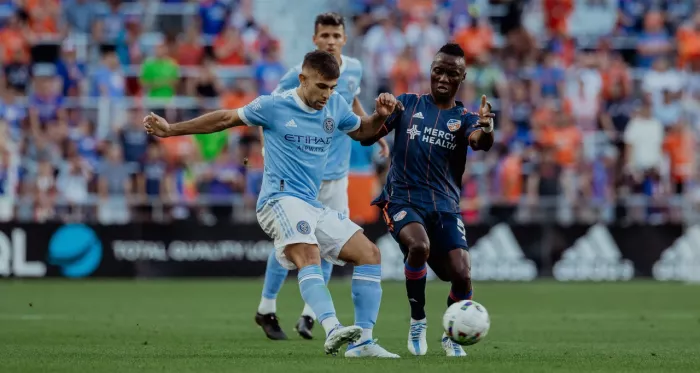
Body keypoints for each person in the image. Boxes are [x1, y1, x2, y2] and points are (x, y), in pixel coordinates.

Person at [144, 50, 400, 358]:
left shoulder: (335, 105)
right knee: (309, 253)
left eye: (332, 87)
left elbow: (363, 132)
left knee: (369, 253)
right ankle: (332, 329)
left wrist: (382, 118)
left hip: (310, 203)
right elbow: (225, 118)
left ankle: (364, 343)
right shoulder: (274, 105)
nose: (327, 94)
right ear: (303, 78)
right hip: (277, 199)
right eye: (321, 86)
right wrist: (171, 130)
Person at [256, 12, 389, 341]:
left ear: (344, 39)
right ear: (315, 40)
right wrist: (266, 152)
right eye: (324, 36)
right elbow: (268, 112)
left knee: (333, 244)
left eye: (336, 36)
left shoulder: (353, 69)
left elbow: (351, 101)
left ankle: (309, 315)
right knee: (291, 245)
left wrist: (373, 130)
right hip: (299, 177)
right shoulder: (297, 75)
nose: (330, 41)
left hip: (337, 176)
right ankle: (267, 306)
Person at [361, 43, 495, 357]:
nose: (444, 78)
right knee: (419, 246)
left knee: (461, 273)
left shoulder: (465, 118)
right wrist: (379, 114)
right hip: (403, 199)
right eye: (439, 71)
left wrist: (488, 127)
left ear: (461, 79)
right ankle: (418, 321)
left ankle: (452, 334)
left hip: (445, 207)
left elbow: (480, 142)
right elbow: (367, 136)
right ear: (430, 72)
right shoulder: (407, 104)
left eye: (452, 74)